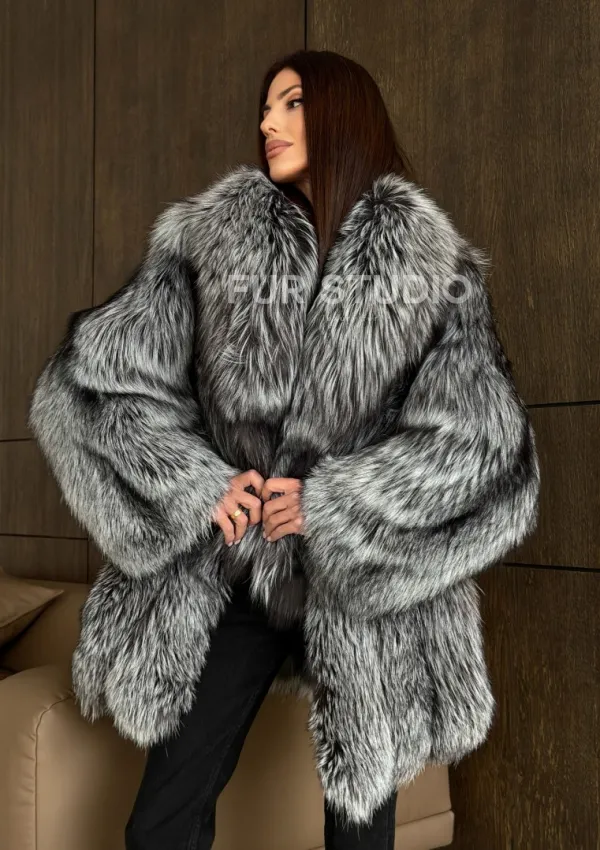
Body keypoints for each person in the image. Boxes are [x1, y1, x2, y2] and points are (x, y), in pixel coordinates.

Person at [27, 49, 541, 849]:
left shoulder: (435, 272)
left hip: (364, 585)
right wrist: (201, 484)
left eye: (291, 103)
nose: (268, 122)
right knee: (161, 820)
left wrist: (333, 505)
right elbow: (92, 384)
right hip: (239, 572)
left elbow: (482, 446)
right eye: (266, 106)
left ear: (342, 113)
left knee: (360, 829)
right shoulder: (208, 243)